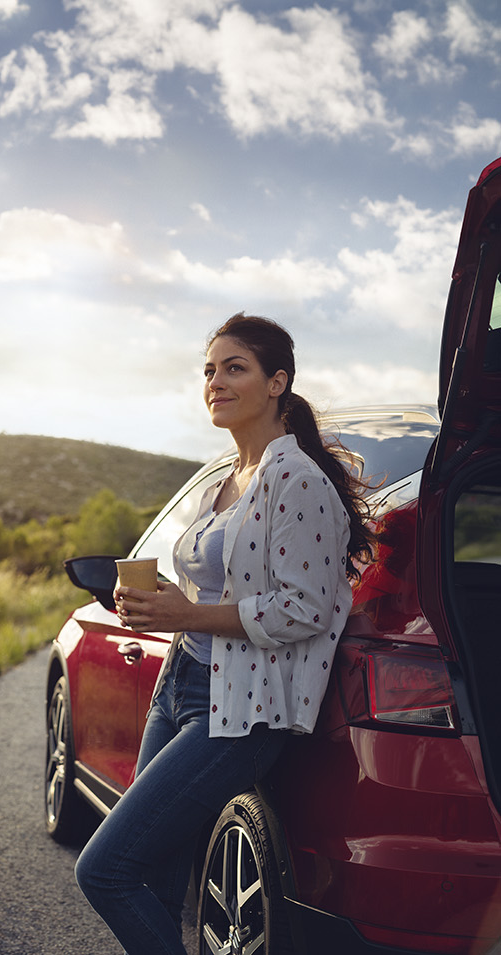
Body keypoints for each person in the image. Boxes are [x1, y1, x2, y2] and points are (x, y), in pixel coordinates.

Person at [73, 313, 376, 955]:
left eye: (234, 368)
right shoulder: (226, 479)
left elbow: (304, 609)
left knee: (105, 869)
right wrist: (169, 605)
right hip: (180, 684)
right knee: (152, 881)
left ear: (278, 382)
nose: (216, 382)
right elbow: (227, 588)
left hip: (240, 710)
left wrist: (186, 615)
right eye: (209, 370)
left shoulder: (298, 480)